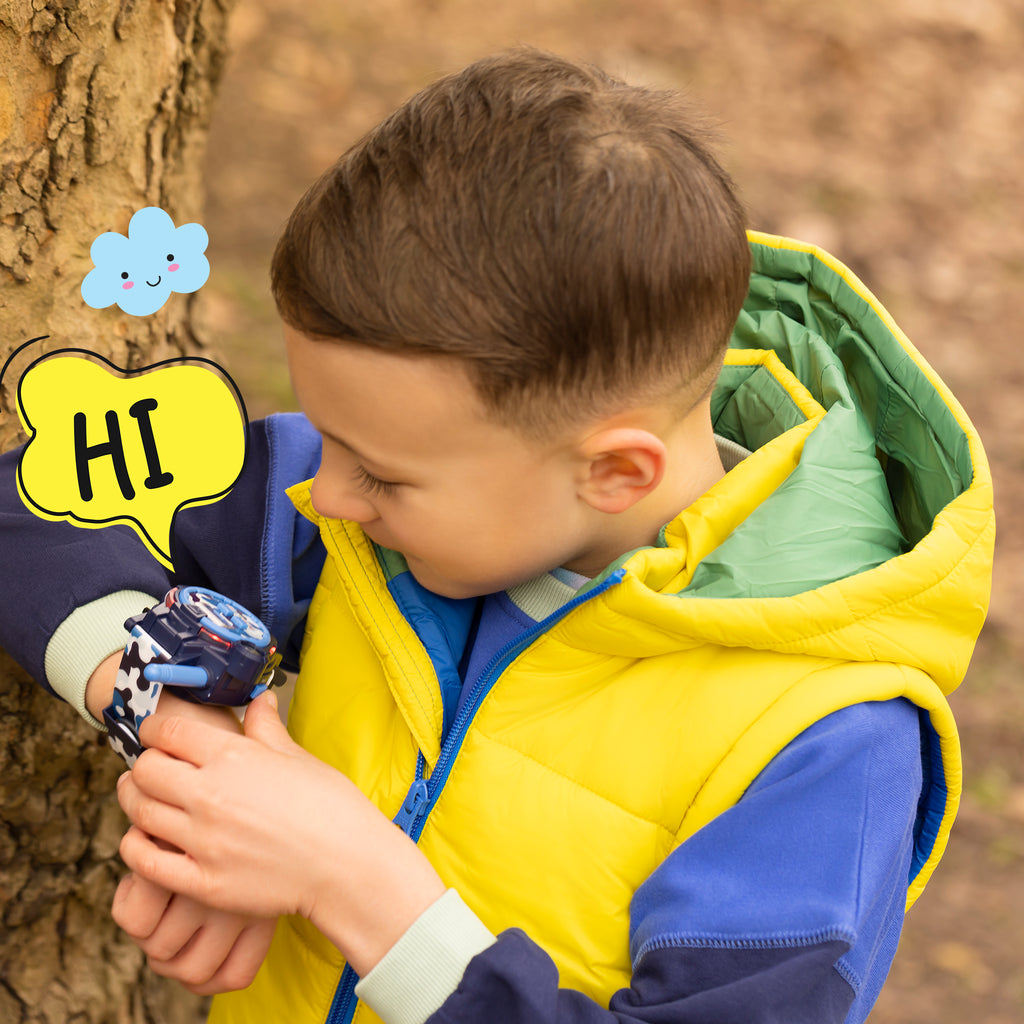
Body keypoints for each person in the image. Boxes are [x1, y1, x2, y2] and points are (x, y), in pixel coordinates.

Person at [0, 48, 994, 1024]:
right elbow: (34, 504)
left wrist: (358, 887)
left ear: (614, 472)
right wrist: (192, 745)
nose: (324, 494)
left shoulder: (824, 745)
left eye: (380, 472)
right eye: (329, 439)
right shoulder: (394, 495)